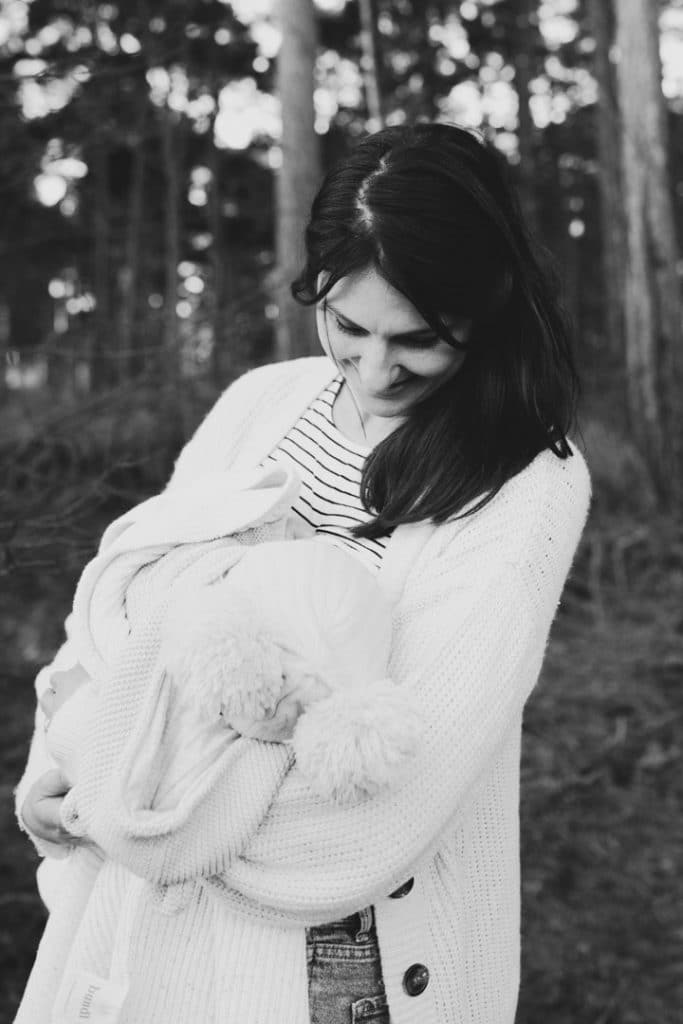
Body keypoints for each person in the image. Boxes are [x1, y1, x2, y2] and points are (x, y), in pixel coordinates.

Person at [15, 121, 590, 1024]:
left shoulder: (523, 482)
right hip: (134, 939)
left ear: (489, 308)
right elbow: (129, 604)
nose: (373, 368)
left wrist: (119, 796)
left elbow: (378, 809)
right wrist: (62, 748)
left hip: (331, 964)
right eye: (346, 324)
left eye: (419, 340)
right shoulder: (262, 404)